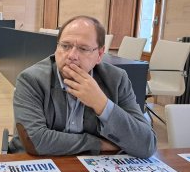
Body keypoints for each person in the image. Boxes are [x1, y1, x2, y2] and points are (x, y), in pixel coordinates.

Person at [9, 15, 157, 158]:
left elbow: (146, 144)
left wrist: (102, 104)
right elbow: (36, 141)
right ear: (56, 48)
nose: (72, 55)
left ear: (99, 54)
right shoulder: (31, 80)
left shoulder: (117, 80)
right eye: (65, 46)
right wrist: (98, 144)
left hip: (95, 169)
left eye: (83, 49)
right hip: (38, 164)